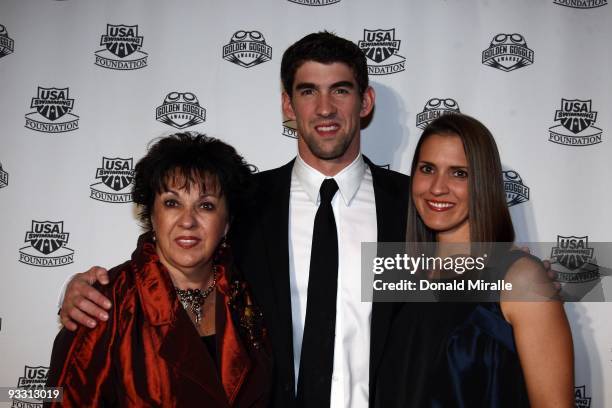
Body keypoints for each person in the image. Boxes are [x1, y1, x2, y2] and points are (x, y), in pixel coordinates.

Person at [57, 32, 410, 407]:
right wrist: (87, 289)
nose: (325, 108)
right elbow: (171, 263)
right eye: (308, 92)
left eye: (340, 90)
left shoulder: (411, 207)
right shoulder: (242, 203)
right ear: (288, 106)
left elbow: (466, 298)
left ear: (365, 101)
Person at [46, 133, 272, 407]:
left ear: (227, 222)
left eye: (206, 205)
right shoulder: (103, 304)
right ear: (152, 214)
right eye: (172, 203)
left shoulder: (247, 294)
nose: (187, 221)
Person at [375, 113, 574, 407]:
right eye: (427, 168)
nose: (438, 187)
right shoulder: (402, 278)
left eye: (459, 173)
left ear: (483, 183)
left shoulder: (519, 279)